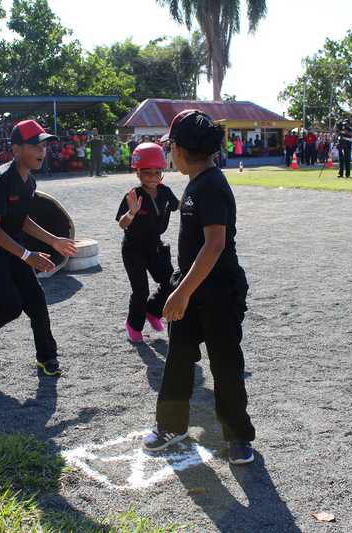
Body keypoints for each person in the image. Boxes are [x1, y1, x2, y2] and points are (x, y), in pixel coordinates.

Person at [142, 109, 255, 465]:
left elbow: (215, 245)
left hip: (219, 291)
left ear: (179, 148)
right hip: (192, 287)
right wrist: (183, 290)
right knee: (178, 359)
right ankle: (171, 426)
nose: (169, 154)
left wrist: (181, 292)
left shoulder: (211, 185)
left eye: (170, 147)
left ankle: (238, 436)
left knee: (225, 364)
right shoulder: (196, 182)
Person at [0, 119, 77, 377]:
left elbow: (22, 219)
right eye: (35, 145)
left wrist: (53, 240)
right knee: (10, 306)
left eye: (44, 145)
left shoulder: (29, 181)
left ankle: (47, 357)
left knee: (36, 300)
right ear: (16, 149)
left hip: (11, 244)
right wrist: (27, 255)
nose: (42, 150)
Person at [116, 142, 179, 343]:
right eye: (147, 173)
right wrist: (131, 213)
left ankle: (152, 311)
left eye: (157, 172)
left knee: (170, 280)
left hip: (154, 246)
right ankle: (133, 325)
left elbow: (179, 206)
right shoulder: (133, 195)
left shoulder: (165, 191)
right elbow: (122, 223)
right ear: (138, 173)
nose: (152, 177)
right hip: (133, 249)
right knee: (140, 290)